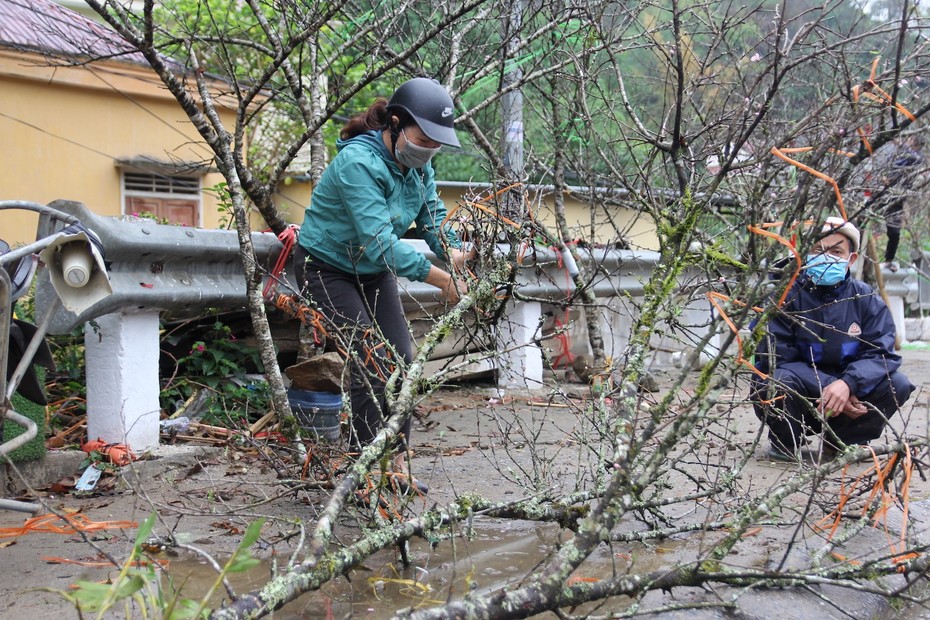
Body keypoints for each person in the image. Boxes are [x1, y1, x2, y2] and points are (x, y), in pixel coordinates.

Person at [293, 77, 471, 492]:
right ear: (394, 122)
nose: (428, 147)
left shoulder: (419, 165)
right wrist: (442, 281)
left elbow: (433, 220)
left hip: (371, 272)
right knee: (372, 361)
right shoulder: (358, 163)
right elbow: (379, 244)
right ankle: (358, 470)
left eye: (436, 142)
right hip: (326, 268)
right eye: (422, 137)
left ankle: (396, 466)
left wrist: (456, 254)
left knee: (402, 364)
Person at [751, 217, 915, 461]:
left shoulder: (866, 299)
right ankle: (785, 440)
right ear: (805, 254)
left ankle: (844, 441)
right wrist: (833, 387)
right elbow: (776, 357)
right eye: (818, 250)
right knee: (775, 380)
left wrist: (848, 384)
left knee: (897, 383)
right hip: (803, 397)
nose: (826, 257)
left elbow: (881, 354)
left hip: (850, 400)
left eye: (836, 251)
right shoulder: (783, 294)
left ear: (851, 259)